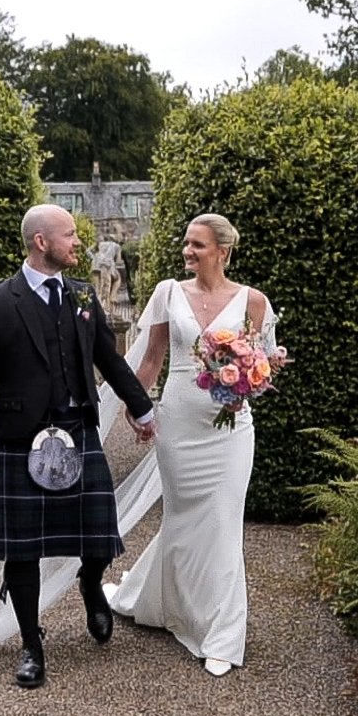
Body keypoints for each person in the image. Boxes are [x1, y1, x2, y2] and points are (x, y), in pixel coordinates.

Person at [0, 204, 156, 688]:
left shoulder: (82, 295)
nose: (77, 242)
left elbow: (110, 359)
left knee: (100, 533)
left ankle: (91, 583)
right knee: (22, 552)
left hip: (78, 429)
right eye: (69, 235)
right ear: (41, 242)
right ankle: (30, 644)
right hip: (23, 438)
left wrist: (142, 408)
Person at [105, 214, 280, 677]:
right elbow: (152, 359)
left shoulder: (253, 301)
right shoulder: (168, 293)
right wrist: (135, 405)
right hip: (179, 422)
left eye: (198, 245)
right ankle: (166, 604)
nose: (188, 251)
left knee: (223, 521)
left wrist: (255, 376)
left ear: (223, 251)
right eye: (186, 243)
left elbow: (263, 366)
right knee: (182, 520)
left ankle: (222, 634)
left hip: (230, 429)